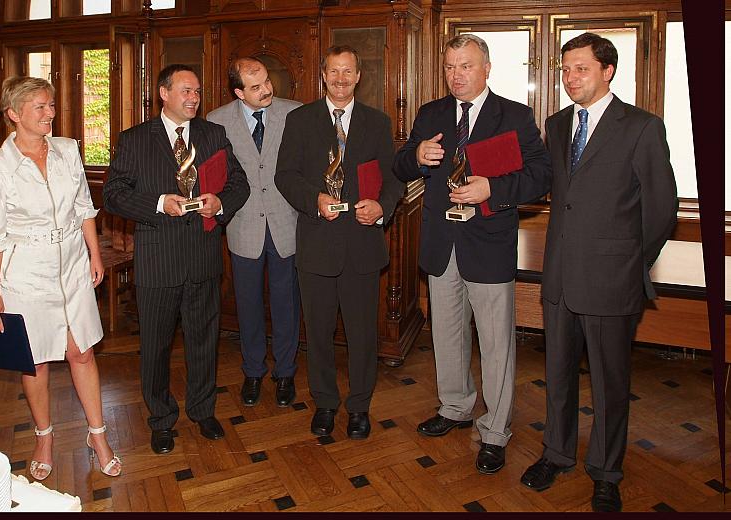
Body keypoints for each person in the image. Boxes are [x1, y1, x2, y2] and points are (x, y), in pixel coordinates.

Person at [519, 33, 677, 512]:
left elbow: (662, 210)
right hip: (561, 276)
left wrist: (629, 264)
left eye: (580, 69)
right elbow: (555, 190)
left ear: (608, 71)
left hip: (613, 280)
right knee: (557, 374)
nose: (570, 78)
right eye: (565, 70)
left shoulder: (642, 127)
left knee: (610, 385)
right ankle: (557, 453)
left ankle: (606, 471)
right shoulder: (557, 123)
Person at [393, 34, 551, 474]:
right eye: (449, 67)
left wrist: (493, 189)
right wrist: (418, 156)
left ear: (486, 68)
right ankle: (455, 407)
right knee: (446, 336)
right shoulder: (431, 114)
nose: (456, 75)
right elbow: (401, 164)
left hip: (489, 244)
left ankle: (495, 431)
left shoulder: (514, 116)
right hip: (442, 246)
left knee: (497, 344)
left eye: (465, 66)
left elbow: (540, 176)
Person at [0, 76, 121, 480]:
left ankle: (98, 434)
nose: (50, 113)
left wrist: (95, 255)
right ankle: (44, 436)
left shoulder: (67, 150)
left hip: (73, 265)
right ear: (13, 114)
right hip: (24, 275)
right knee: (35, 361)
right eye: (39, 107)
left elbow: (84, 207)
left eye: (51, 105)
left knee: (82, 352)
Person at [103, 64, 250, 454]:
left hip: (203, 258)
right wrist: (157, 203)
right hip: (158, 261)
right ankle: (161, 419)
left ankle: (203, 410)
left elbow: (239, 183)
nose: (193, 99)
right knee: (155, 347)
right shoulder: (134, 140)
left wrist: (220, 204)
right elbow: (113, 194)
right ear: (163, 93)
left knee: (204, 341)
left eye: (197, 92)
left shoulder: (213, 134)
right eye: (185, 91)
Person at [274, 45, 404, 439]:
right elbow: (285, 175)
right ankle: (326, 403)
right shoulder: (300, 120)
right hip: (317, 244)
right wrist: (314, 199)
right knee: (318, 333)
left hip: (362, 244)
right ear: (323, 76)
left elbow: (393, 178)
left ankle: (360, 406)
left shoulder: (378, 123)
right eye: (334, 72)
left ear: (358, 77)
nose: (341, 78)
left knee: (363, 334)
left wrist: (381, 207)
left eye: (348, 72)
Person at [206, 57, 302, 408]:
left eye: (266, 81)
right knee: (247, 306)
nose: (266, 90)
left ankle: (286, 373)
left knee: (286, 304)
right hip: (243, 227)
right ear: (238, 92)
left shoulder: (295, 113)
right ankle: (252, 371)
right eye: (256, 86)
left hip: (285, 225)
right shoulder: (217, 121)